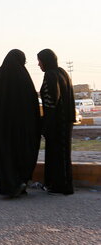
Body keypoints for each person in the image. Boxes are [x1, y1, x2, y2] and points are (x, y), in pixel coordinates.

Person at [0, 49, 41, 198]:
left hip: (1, 127)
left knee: (4, 155)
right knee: (22, 153)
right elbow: (32, 103)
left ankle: (8, 185)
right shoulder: (23, 77)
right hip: (22, 127)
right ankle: (19, 183)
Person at [37, 49, 76, 195]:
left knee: (57, 154)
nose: (39, 64)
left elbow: (52, 101)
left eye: (40, 61)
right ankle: (61, 184)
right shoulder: (62, 73)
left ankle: (60, 186)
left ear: (46, 61)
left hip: (57, 122)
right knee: (63, 154)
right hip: (65, 121)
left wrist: (46, 124)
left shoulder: (50, 75)